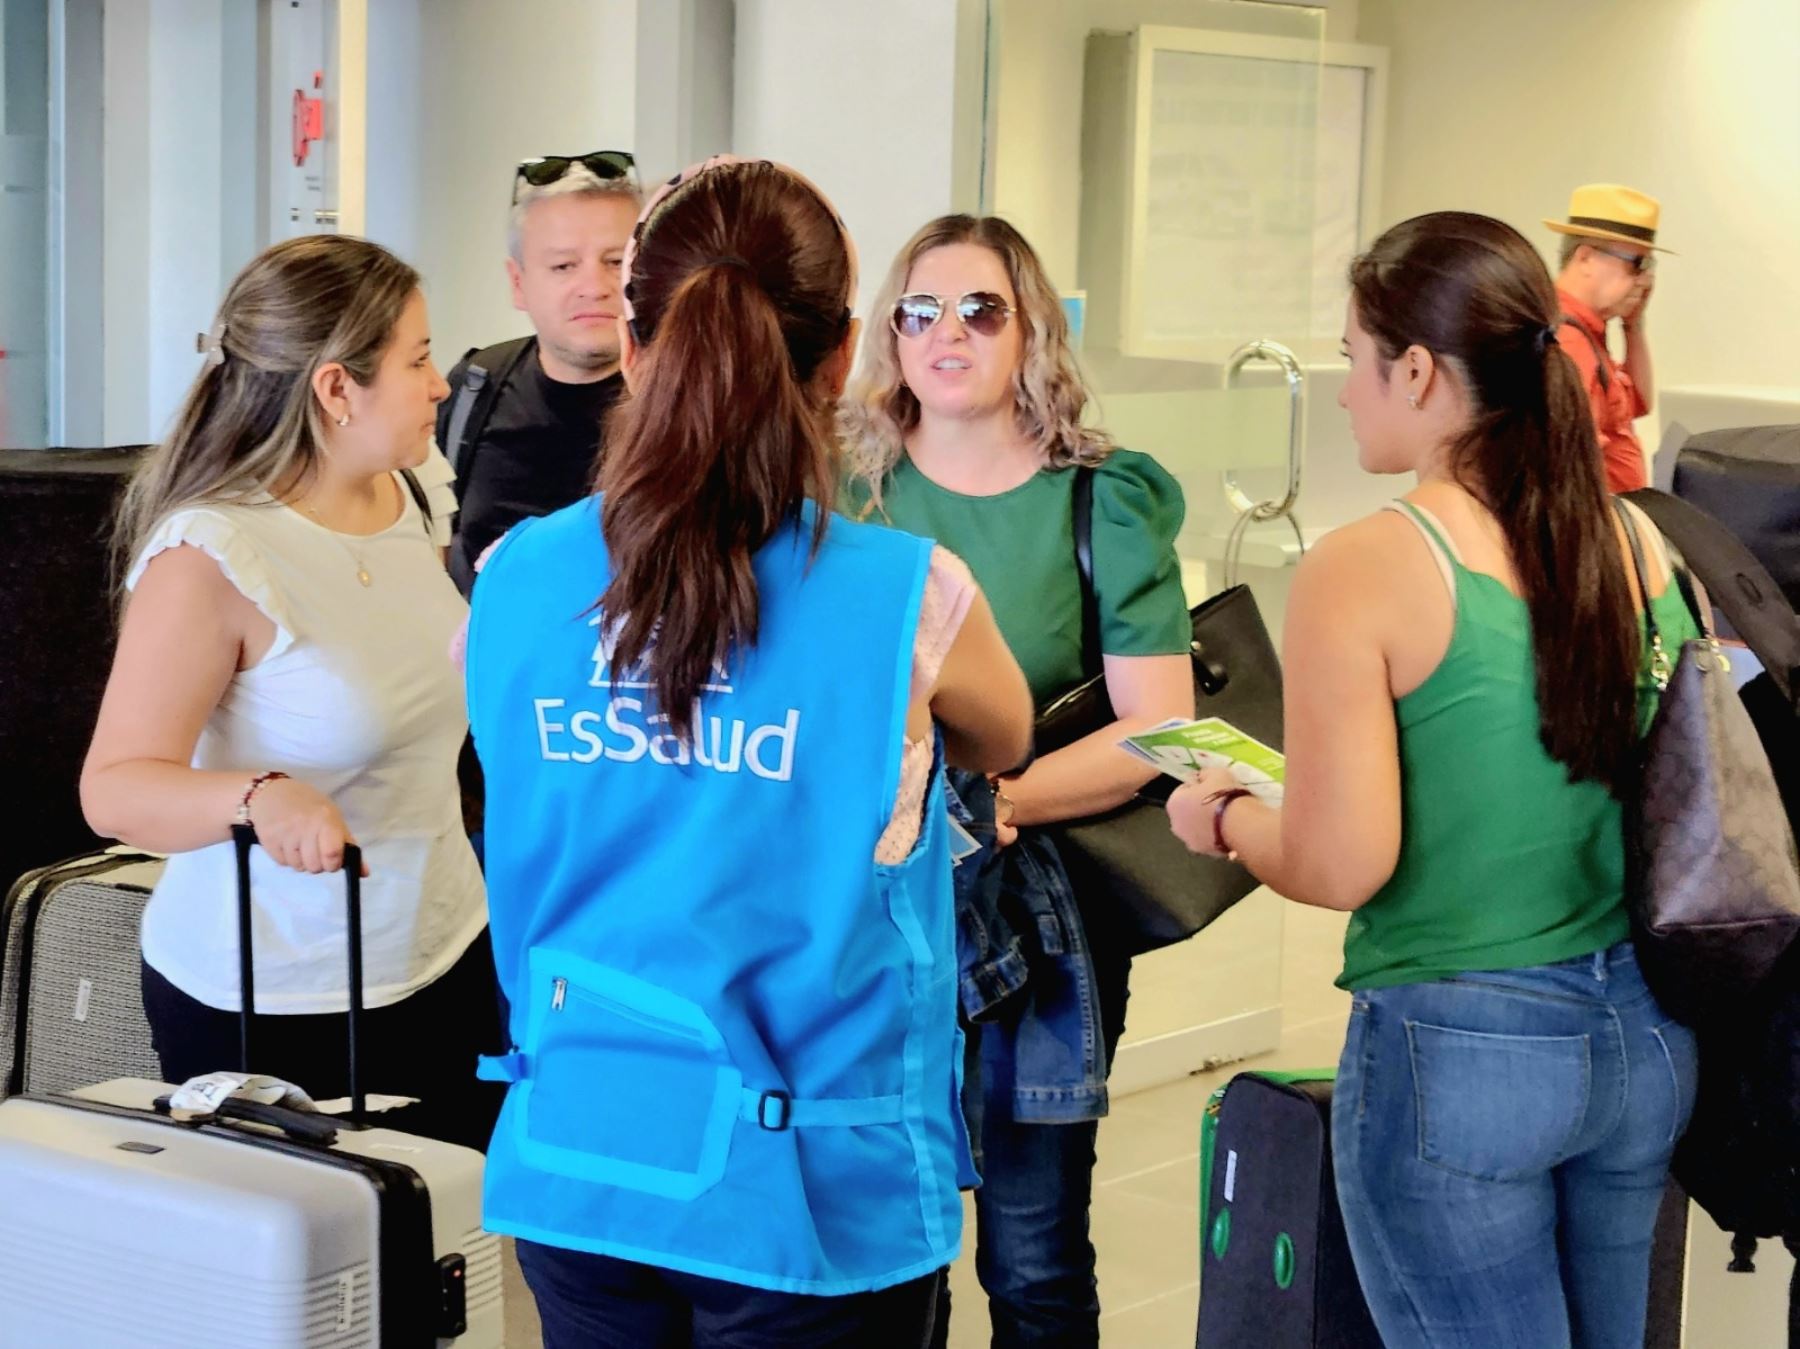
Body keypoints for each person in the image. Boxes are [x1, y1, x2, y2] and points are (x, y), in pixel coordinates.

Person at [464, 157, 1033, 1349]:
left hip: (584, 1145)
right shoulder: (906, 599)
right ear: (838, 364)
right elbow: (1008, 730)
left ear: (633, 343)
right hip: (812, 1185)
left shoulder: (516, 576)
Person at [1167, 211, 1701, 1349]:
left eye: (1356, 360)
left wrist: (1227, 812)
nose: (1349, 391)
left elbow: (1341, 858)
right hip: (1643, 1040)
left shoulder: (1368, 565)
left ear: (1417, 369)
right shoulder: (1640, 544)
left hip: (1465, 1055)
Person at [842, 215, 1194, 1348]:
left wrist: (1008, 802)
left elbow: (1161, 723)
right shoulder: (846, 494)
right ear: (887, 333)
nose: (948, 333)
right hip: (875, 914)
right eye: (920, 310)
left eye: (981, 309)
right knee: (894, 1238)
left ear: (1031, 329)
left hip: (1049, 915)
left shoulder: (1104, 498)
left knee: (1033, 1251)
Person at [80, 234, 500, 1151]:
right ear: (337, 388)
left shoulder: (414, 492)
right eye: (419, 360)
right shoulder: (211, 554)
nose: (441, 385)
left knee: (441, 1267)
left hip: (446, 952)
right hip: (273, 1000)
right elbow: (113, 790)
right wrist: (257, 797)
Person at [440, 151, 642, 595]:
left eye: (615, 261)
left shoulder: (688, 400)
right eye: (564, 266)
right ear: (518, 283)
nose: (594, 287)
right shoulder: (474, 387)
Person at [1546, 183, 1666, 494]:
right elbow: (1569, 467)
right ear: (1585, 258)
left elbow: (1638, 403)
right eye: (1637, 264)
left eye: (1650, 266)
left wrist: (1634, 324)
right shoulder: (1567, 342)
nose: (1645, 279)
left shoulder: (1590, 333)